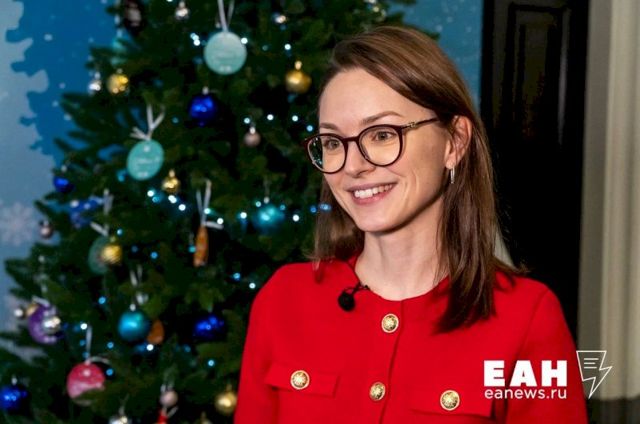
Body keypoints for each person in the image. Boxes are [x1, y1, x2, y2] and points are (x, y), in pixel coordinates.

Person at [234, 25, 588, 423]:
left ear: (454, 142)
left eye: (382, 134)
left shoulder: (527, 317)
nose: (353, 166)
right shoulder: (283, 300)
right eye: (333, 143)